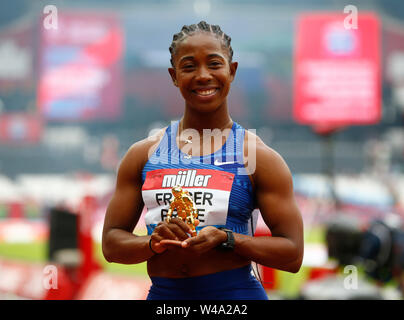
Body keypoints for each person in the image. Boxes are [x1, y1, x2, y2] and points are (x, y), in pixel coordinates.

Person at [102, 21, 304, 300]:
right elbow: (111, 245)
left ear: (231, 71)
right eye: (188, 67)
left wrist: (227, 239)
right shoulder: (143, 155)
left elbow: (292, 255)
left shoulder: (257, 157)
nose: (203, 75)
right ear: (174, 76)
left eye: (214, 64)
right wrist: (154, 242)